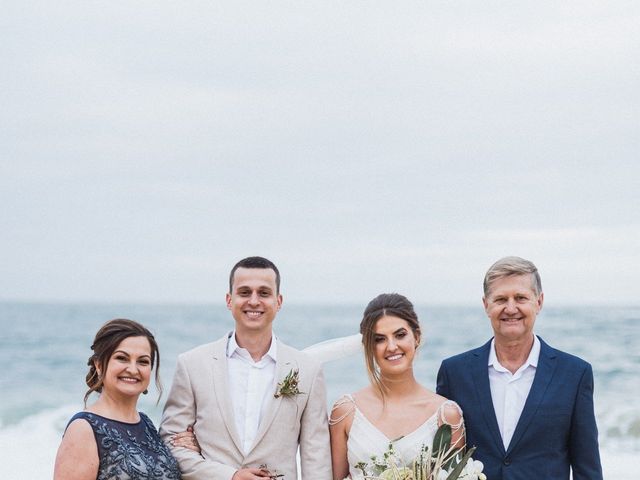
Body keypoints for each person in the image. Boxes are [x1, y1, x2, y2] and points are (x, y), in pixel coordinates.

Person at [159, 256, 332, 480]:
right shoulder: (192, 364)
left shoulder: (308, 370)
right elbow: (171, 443)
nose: (253, 301)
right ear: (229, 300)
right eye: (244, 292)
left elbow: (316, 456)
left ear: (278, 301)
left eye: (264, 293)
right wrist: (230, 476)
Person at [437, 256, 603, 480]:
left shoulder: (575, 374)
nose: (511, 308)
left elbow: (587, 469)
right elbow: (442, 463)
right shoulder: (454, 373)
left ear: (539, 302)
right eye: (501, 299)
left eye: (521, 298)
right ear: (486, 305)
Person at [330, 293, 465, 480]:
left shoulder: (446, 415)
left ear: (416, 337)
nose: (392, 346)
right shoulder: (346, 412)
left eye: (400, 335)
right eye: (379, 339)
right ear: (368, 346)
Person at [53, 318, 197, 480]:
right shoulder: (83, 429)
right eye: (122, 358)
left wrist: (188, 447)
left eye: (143, 361)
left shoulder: (146, 424)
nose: (133, 369)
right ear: (99, 365)